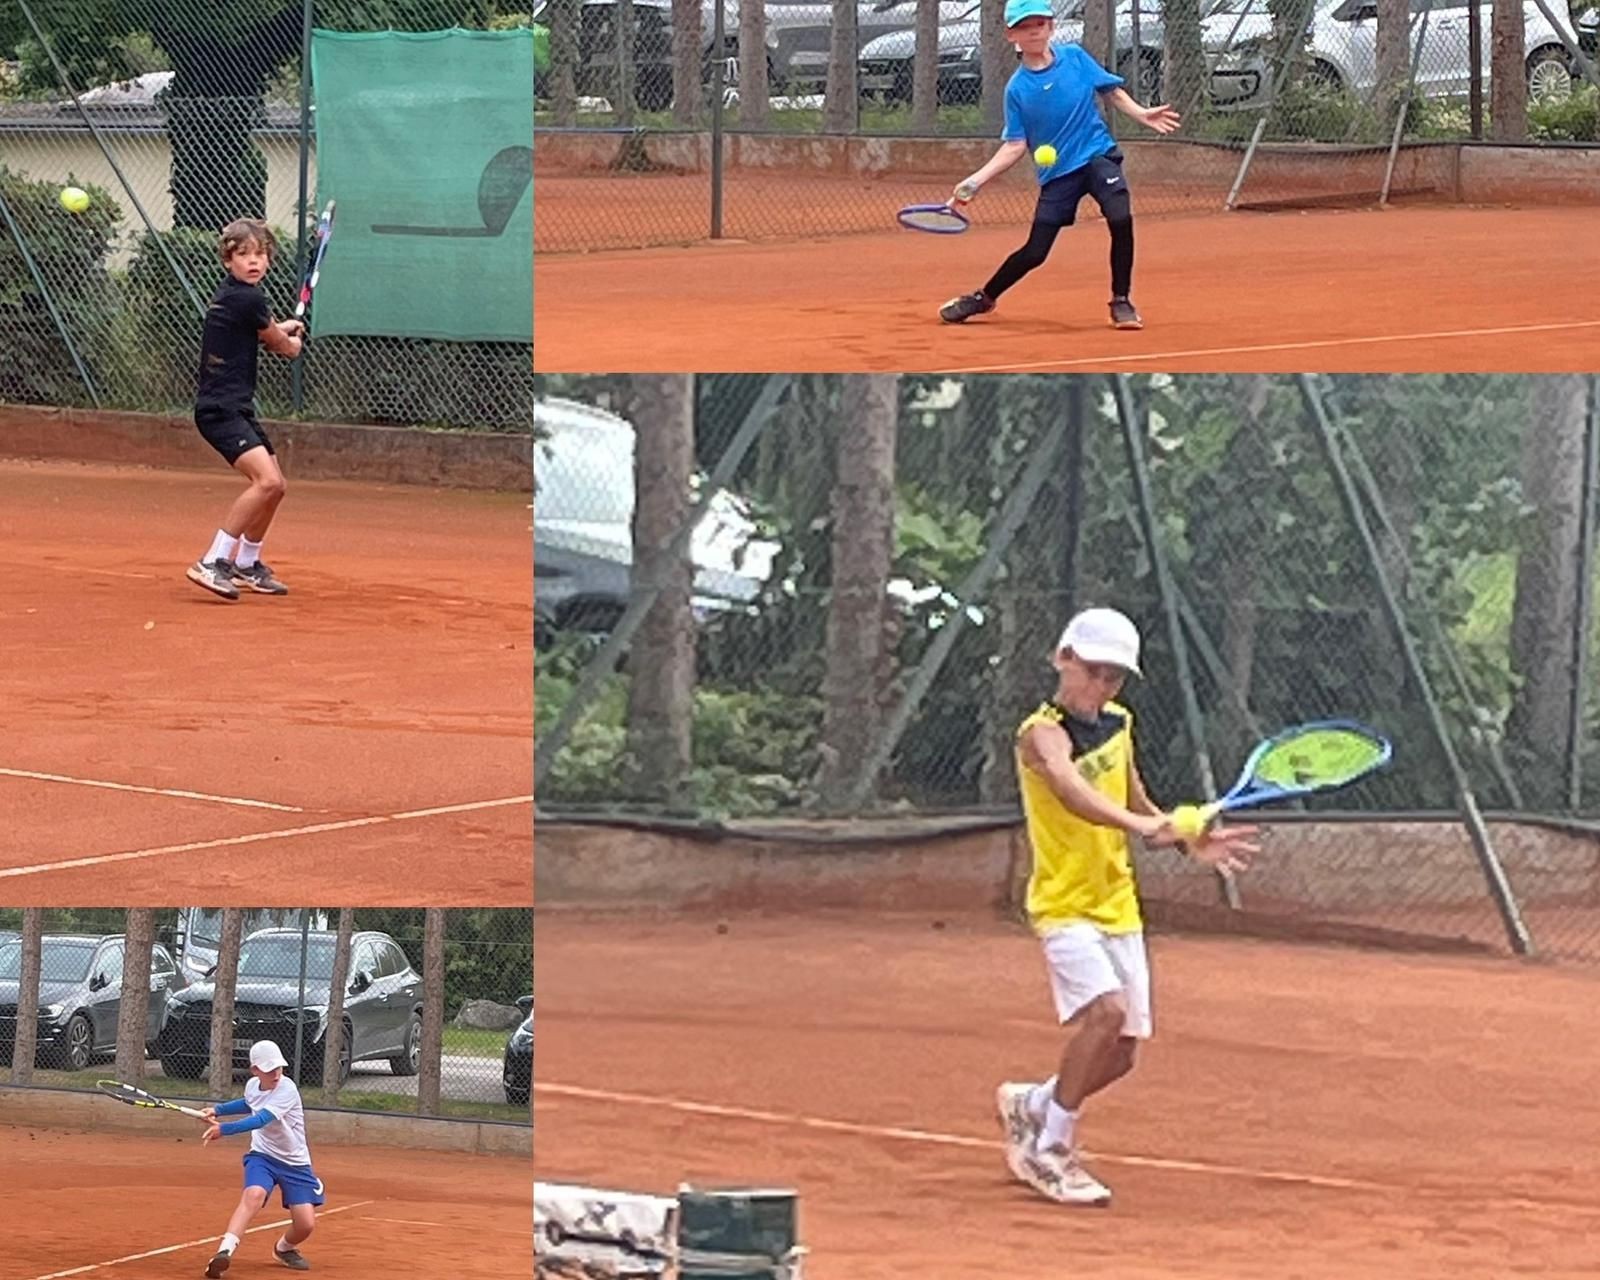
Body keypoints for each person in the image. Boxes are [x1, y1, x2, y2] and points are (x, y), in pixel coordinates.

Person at [997, 606, 1258, 1205]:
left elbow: (1134, 797)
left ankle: (1032, 1103)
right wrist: (1143, 826)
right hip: (1064, 904)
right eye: (1093, 671)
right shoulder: (1040, 733)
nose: (1102, 685)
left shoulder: (1119, 723)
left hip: (1117, 904)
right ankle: (1050, 1150)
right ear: (1063, 659)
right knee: (1106, 1014)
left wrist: (1184, 837)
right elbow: (1074, 792)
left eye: (1114, 676)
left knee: (1120, 1057)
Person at [939, 0, 1180, 331]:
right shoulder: (1017, 90)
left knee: (1120, 217)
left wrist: (1141, 113)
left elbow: (1110, 90)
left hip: (1097, 155)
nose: (1034, 31)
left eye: (1040, 23)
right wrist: (975, 181)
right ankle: (984, 298)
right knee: (1035, 252)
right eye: (1025, 26)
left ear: (1051, 27)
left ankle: (1121, 300)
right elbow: (1015, 145)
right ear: (1011, 35)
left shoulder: (1075, 57)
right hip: (1058, 174)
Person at [187, 218, 303, 601]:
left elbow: (263, 329)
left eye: (260, 253)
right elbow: (278, 343)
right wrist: (289, 343)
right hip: (220, 411)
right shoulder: (248, 299)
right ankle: (212, 561)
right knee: (266, 482)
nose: (253, 261)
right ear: (228, 260)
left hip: (236, 408)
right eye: (243, 254)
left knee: (276, 487)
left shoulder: (238, 297)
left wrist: (279, 329)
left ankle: (248, 564)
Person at [202, 1040, 324, 1275]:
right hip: (263, 1156)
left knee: (305, 1225)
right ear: (255, 1070)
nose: (276, 1074)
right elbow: (250, 1103)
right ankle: (224, 1252)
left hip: (295, 1163)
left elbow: (261, 1119)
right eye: (269, 1070)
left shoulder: (287, 1089)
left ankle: (284, 1248)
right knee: (254, 1195)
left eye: (278, 1068)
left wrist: (224, 1129)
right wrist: (217, 1110)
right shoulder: (252, 1086)